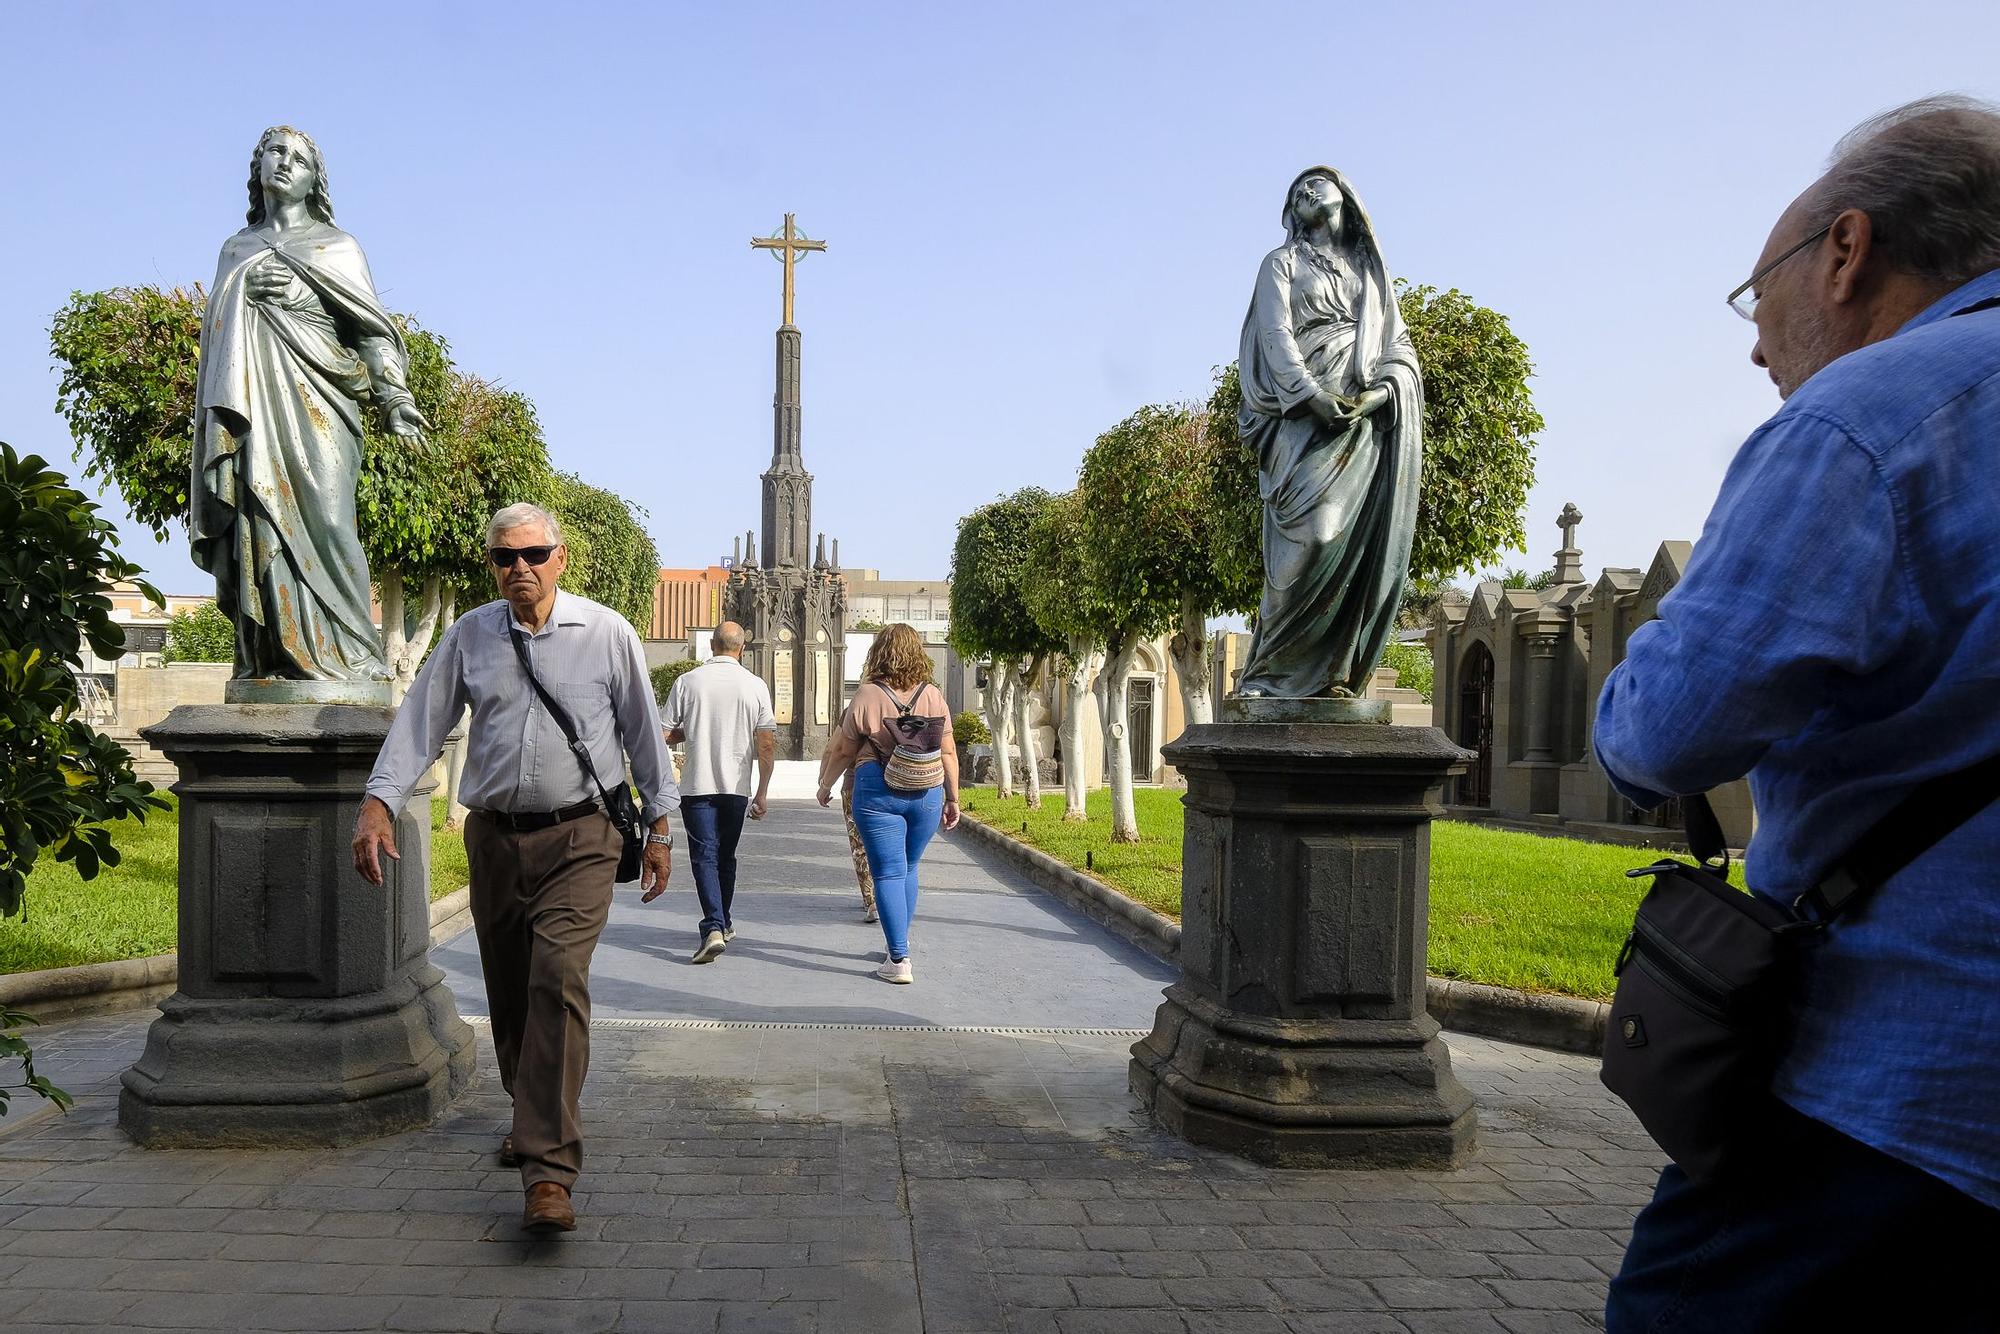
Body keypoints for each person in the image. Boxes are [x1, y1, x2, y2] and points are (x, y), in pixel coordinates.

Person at [1595, 96, 2000, 1329]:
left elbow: (1661, 731)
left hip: (1886, 1092)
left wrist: (1665, 635)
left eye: (1752, 290)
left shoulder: (1871, 417)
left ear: (1844, 249)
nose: (1753, 345)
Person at [352, 502, 677, 1234]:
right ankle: (532, 1109)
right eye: (505, 558)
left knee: (557, 978)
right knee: (509, 991)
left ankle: (548, 1170)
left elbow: (641, 734)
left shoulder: (606, 634)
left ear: (559, 558)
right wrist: (379, 802)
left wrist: (661, 824)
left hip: (583, 837)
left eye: (532, 555)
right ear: (492, 565)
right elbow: (421, 720)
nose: (519, 569)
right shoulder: (472, 634)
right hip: (495, 839)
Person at [192, 125, 426, 684]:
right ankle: (271, 655)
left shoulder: (337, 246)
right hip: (252, 407)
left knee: (328, 518)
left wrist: (394, 397)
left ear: (314, 179)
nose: (284, 163)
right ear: (257, 166)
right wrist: (245, 295)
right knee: (258, 517)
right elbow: (214, 337)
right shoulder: (236, 249)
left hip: (320, 397)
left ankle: (352, 655)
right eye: (275, 152)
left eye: (298, 158)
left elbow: (371, 331)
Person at [1234, 166, 1422, 698]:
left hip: (1358, 426)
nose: (1304, 191)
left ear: (1344, 196)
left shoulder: (1370, 272)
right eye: (1295, 191)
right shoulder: (1282, 264)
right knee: (1312, 540)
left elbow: (1399, 350)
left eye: (1315, 183)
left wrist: (1380, 395)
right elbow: (1275, 338)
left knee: (1351, 551)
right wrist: (1312, 397)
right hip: (1300, 423)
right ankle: (1270, 674)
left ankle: (1333, 676)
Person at [816, 624, 959, 983]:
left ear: (877, 652)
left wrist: (826, 783)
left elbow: (844, 749)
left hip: (877, 790)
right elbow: (949, 751)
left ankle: (898, 958)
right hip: (928, 791)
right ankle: (899, 944)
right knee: (908, 868)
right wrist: (954, 797)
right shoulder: (933, 695)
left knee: (889, 872)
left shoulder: (867, 694)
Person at [659, 621, 776, 962]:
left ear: (712, 645)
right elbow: (766, 745)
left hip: (697, 786)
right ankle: (721, 922)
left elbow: (663, 733)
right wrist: (762, 792)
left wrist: (691, 732)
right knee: (725, 855)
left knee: (704, 856)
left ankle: (713, 925)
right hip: (735, 787)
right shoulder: (755, 686)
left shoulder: (688, 682)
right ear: (742, 647)